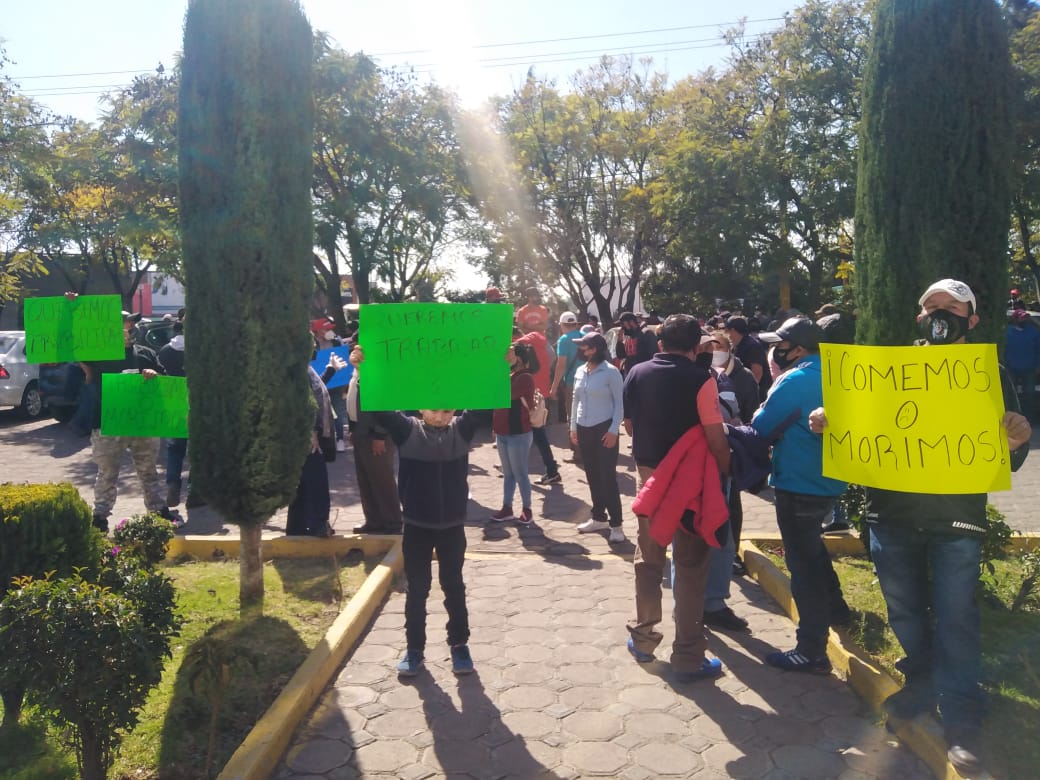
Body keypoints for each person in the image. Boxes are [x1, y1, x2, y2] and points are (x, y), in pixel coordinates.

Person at [810, 279, 1031, 776]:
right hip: (892, 515)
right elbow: (857, 427)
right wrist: (829, 418)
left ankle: (961, 716)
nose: (940, 314)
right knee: (904, 608)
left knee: (956, 616)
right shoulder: (887, 372)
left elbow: (1010, 458)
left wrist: (1017, 437)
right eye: (931, 306)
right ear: (919, 317)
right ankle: (922, 682)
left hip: (957, 520)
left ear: (971, 320)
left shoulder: (988, 373)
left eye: (951, 308)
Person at [623, 314, 730, 683]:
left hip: (649, 480)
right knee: (689, 567)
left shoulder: (636, 373)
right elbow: (716, 436)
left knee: (648, 560)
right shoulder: (701, 380)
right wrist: (728, 468)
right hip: (689, 484)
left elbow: (629, 425)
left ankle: (643, 637)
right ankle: (687, 656)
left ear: (660, 342)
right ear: (694, 346)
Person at [752, 316, 851, 674]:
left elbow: (761, 425)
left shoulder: (795, 379)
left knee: (803, 566)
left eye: (779, 344)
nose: (774, 350)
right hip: (830, 482)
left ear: (796, 349)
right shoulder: (841, 373)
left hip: (798, 482)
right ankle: (839, 611)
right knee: (812, 549)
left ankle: (811, 649)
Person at [78, 307, 182, 531]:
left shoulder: (146, 353)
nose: (130, 328)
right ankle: (100, 517)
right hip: (108, 424)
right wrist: (73, 306)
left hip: (142, 424)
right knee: (107, 472)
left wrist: (155, 376)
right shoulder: (98, 353)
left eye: (132, 324)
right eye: (126, 323)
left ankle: (157, 510)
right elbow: (73, 344)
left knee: (148, 470)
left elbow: (166, 383)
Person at [569, 332, 625, 542]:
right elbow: (576, 400)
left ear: (595, 349)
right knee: (592, 474)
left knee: (607, 477)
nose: (581, 350)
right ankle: (598, 517)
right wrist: (572, 426)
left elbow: (620, 404)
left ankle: (616, 524)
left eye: (584, 347)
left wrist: (613, 430)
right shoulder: (580, 371)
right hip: (584, 428)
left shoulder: (611, 373)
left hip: (604, 429)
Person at [345, 346, 402, 535]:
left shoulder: (378, 374)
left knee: (382, 480)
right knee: (365, 480)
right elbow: (354, 403)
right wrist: (353, 430)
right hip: (361, 434)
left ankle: (393, 523)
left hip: (375, 437)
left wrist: (380, 436)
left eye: (358, 350)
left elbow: (385, 406)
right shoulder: (357, 373)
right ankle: (374, 520)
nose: (354, 353)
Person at [286, 358, 338, 537]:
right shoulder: (295, 368)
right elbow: (301, 402)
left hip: (306, 436)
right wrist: (311, 431)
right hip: (306, 438)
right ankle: (318, 525)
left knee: (303, 485)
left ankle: (296, 528)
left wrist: (330, 370)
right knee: (316, 483)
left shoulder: (303, 367)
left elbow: (315, 391)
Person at [490, 342, 538, 525]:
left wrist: (501, 369)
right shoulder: (512, 375)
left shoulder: (525, 378)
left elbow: (503, 394)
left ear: (517, 357)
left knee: (520, 474)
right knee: (508, 473)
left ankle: (527, 510)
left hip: (518, 433)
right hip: (504, 432)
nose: (505, 358)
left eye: (509, 355)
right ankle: (507, 507)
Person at [516, 324, 561, 485]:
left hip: (527, 396)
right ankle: (551, 470)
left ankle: (550, 470)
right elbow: (553, 359)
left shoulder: (520, 346)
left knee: (529, 435)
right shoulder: (542, 342)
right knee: (538, 434)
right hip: (540, 392)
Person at [157, 317, 188, 507]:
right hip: (197, 400)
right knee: (199, 447)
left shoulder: (165, 351)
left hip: (174, 401)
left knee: (175, 447)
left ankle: (173, 483)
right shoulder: (201, 350)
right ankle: (195, 490)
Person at [548, 311, 583, 428]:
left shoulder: (564, 339)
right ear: (576, 324)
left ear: (562, 325)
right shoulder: (584, 335)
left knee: (573, 417)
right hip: (589, 380)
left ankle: (576, 442)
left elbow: (561, 365)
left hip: (571, 382)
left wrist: (554, 387)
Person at [725, 315, 772, 401]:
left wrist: (746, 394)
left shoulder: (752, 346)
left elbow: (757, 373)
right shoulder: (737, 345)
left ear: (733, 330)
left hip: (757, 396)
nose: (728, 336)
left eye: (727, 332)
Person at [1005, 308, 1040, 421]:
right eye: (1021, 317)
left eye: (1025, 317)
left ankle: (1029, 419)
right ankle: (1013, 419)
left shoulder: (1034, 332)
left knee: (1029, 394)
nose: (1023, 319)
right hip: (1011, 368)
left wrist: (1038, 365)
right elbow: (1003, 349)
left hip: (1029, 368)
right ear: (1015, 319)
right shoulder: (1007, 332)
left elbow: (1038, 349)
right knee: (1011, 395)